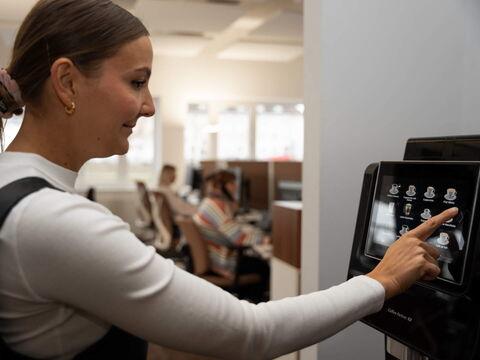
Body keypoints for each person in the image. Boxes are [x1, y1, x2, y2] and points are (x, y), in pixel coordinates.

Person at [0, 0, 457, 359]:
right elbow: (249, 332)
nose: (149, 106)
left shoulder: (18, 185)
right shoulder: (52, 219)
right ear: (67, 82)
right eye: (137, 82)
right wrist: (382, 281)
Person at [193, 169, 270, 293]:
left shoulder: (208, 203)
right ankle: (257, 307)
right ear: (221, 187)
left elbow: (231, 231)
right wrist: (265, 238)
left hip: (214, 256)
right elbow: (239, 239)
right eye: (232, 184)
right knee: (263, 266)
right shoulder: (216, 206)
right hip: (223, 262)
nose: (235, 187)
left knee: (256, 260)